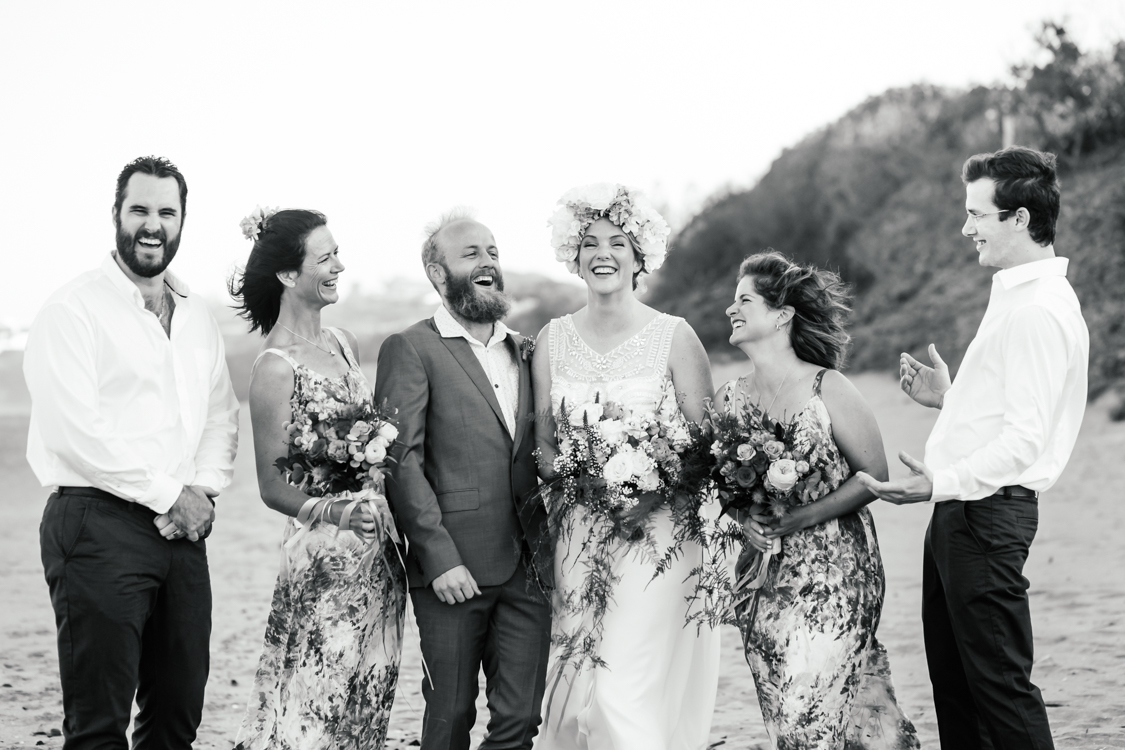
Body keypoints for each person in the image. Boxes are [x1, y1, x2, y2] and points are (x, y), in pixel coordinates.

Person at [858, 146, 1088, 750]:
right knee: (958, 690)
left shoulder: (1037, 310)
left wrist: (938, 482)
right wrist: (951, 400)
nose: (966, 229)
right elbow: (1008, 415)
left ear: (1019, 219)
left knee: (1000, 693)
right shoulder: (1015, 294)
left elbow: (1024, 440)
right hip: (965, 513)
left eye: (977, 215)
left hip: (986, 515)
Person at [23, 156, 239, 749]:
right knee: (99, 725)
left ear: (181, 222)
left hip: (181, 533)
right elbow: (77, 432)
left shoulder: (196, 316)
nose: (152, 225)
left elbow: (221, 415)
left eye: (166, 213)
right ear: (116, 215)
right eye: (139, 210)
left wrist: (202, 491)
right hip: (96, 523)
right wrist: (173, 494)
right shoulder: (73, 310)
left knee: (177, 714)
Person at [533, 183, 719, 750]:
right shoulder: (551, 340)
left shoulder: (674, 336)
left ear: (640, 257)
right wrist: (581, 475)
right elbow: (542, 447)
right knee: (569, 692)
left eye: (617, 242)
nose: (602, 253)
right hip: (577, 534)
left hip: (657, 536)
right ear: (574, 256)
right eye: (589, 243)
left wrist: (647, 485)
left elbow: (707, 446)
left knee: (622, 689)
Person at [719, 250, 919, 749]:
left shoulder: (827, 386)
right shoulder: (727, 400)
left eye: (744, 300)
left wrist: (800, 518)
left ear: (781, 314)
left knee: (804, 719)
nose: (731, 309)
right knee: (806, 708)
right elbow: (720, 486)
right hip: (763, 579)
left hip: (836, 571)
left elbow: (874, 474)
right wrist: (746, 520)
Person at [374, 211, 552, 750]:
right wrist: (438, 556)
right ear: (436, 272)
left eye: (493, 252)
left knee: (520, 719)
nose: (488, 262)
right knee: (450, 716)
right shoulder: (410, 347)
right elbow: (400, 461)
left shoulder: (527, 349)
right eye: (471, 253)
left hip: (527, 566)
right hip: (452, 569)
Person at [228, 208, 405, 748]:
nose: (338, 266)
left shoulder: (345, 344)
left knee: (367, 699)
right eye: (325, 258)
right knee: (315, 703)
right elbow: (271, 485)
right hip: (325, 558)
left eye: (336, 254)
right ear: (287, 275)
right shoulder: (275, 367)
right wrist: (338, 511)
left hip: (379, 551)